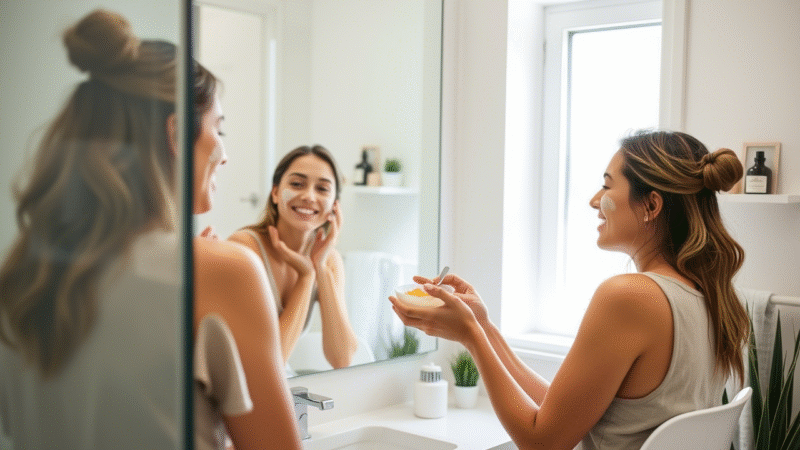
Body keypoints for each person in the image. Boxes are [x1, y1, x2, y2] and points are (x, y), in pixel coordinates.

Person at [0, 10, 302, 450]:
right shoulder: (225, 272)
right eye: (219, 129)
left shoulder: (22, 276)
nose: (224, 154)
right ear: (176, 134)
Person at [391, 130, 749, 449]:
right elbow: (562, 414)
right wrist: (484, 327)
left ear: (651, 205)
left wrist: (470, 336)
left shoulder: (632, 297)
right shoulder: (708, 298)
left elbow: (541, 443)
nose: (594, 200)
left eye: (607, 186)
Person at [229, 146, 358, 370]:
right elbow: (268, 364)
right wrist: (306, 277)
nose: (309, 196)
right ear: (275, 193)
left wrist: (320, 268)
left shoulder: (329, 260)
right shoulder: (245, 249)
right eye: (297, 184)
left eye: (322, 189)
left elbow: (342, 358)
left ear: (334, 206)